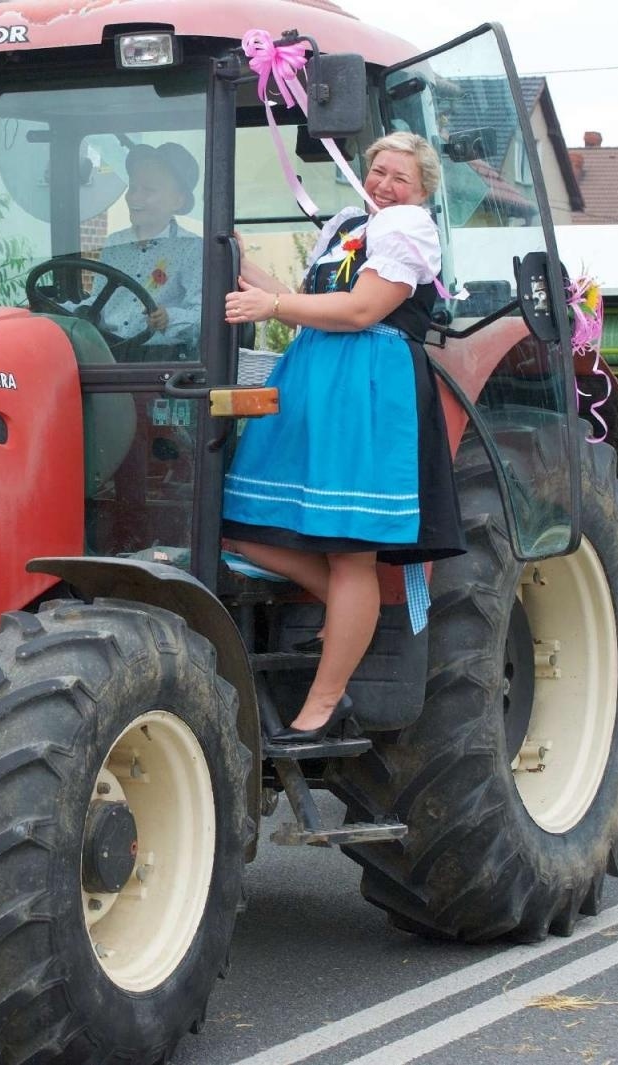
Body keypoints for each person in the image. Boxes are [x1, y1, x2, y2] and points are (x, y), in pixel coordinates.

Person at [221, 131, 464, 744]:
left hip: (366, 388)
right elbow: (302, 302)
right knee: (240, 525)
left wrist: (273, 308)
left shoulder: (408, 229)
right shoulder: (350, 226)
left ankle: (324, 702)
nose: (385, 184)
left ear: (422, 191)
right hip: (316, 382)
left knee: (349, 549)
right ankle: (349, 609)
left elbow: (359, 311)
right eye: (378, 171)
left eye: (400, 177)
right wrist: (236, 257)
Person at [88, 142, 203, 356]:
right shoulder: (115, 244)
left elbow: (204, 316)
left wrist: (170, 318)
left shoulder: (191, 248)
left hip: (161, 358)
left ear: (177, 200)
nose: (134, 197)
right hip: (108, 353)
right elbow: (96, 302)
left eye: (148, 190)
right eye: (133, 188)